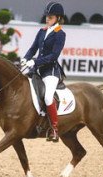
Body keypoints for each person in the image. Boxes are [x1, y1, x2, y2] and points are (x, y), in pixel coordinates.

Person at [20, 2, 66, 142]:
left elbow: (53, 56)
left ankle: (54, 129)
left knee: (47, 97)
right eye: (46, 16)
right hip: (37, 69)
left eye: (50, 17)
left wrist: (35, 61)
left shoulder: (60, 34)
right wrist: (25, 58)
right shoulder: (42, 31)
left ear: (58, 18)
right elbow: (33, 48)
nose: (47, 19)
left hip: (50, 71)